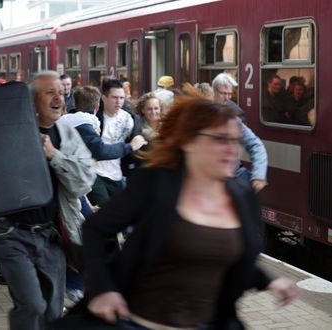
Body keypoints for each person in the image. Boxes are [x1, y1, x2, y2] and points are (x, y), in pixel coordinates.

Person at [58, 93, 300, 330]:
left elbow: (229, 255)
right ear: (190, 143)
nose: (232, 150)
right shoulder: (157, 183)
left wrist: (270, 281)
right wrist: (103, 289)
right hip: (141, 322)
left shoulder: (242, 195)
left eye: (235, 141)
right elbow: (95, 229)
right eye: (220, 139)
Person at [0, 71, 95, 329]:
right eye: (50, 92)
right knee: (32, 304)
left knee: (53, 313)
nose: (59, 97)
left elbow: (84, 182)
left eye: (61, 91)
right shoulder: (6, 133)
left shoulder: (66, 134)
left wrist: (54, 156)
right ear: (32, 100)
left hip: (51, 236)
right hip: (11, 233)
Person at [211, 73, 268, 192]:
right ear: (214, 91)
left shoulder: (234, 118)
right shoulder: (201, 115)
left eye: (229, 94)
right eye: (223, 93)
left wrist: (258, 175)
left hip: (232, 174)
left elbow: (255, 144)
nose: (227, 98)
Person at [88, 79, 140, 207]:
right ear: (104, 98)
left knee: (120, 211)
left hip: (117, 174)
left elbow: (134, 144)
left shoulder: (129, 119)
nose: (119, 101)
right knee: (103, 208)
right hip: (94, 173)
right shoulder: (94, 119)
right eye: (114, 97)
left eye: (122, 97)